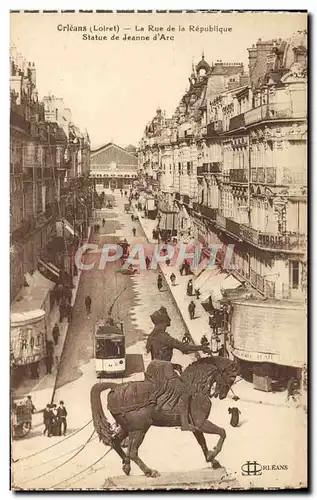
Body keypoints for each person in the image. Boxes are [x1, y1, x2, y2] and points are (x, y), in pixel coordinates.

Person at [145, 307, 210, 432]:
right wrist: (201, 348)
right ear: (163, 322)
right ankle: (185, 423)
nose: (169, 321)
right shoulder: (164, 337)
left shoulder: (154, 336)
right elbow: (184, 348)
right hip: (163, 370)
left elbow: (159, 356)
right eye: (167, 320)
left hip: (154, 368)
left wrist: (173, 365)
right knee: (185, 390)